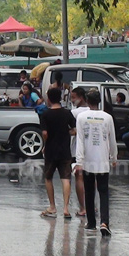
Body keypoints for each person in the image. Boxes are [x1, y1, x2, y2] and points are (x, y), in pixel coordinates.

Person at [76, 89, 117, 236]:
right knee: (104, 191)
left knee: (89, 191)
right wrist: (114, 157)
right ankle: (104, 222)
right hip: (102, 161)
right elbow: (112, 139)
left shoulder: (81, 117)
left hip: (88, 161)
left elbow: (80, 140)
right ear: (99, 101)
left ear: (87, 101)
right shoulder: (107, 118)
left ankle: (91, 222)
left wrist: (79, 160)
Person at [40, 88, 76, 219]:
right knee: (65, 178)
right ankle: (66, 208)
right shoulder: (67, 113)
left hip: (50, 150)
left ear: (48, 99)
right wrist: (66, 133)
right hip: (65, 151)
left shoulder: (45, 114)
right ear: (60, 98)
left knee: (48, 177)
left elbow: (44, 133)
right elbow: (74, 130)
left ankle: (52, 206)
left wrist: (45, 144)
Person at [70, 87, 89, 217]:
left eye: (73, 97)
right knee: (92, 178)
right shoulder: (95, 112)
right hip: (93, 150)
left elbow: (71, 131)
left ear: (81, 97)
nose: (72, 100)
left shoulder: (74, 113)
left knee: (79, 177)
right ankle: (91, 206)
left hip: (77, 149)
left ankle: (83, 208)